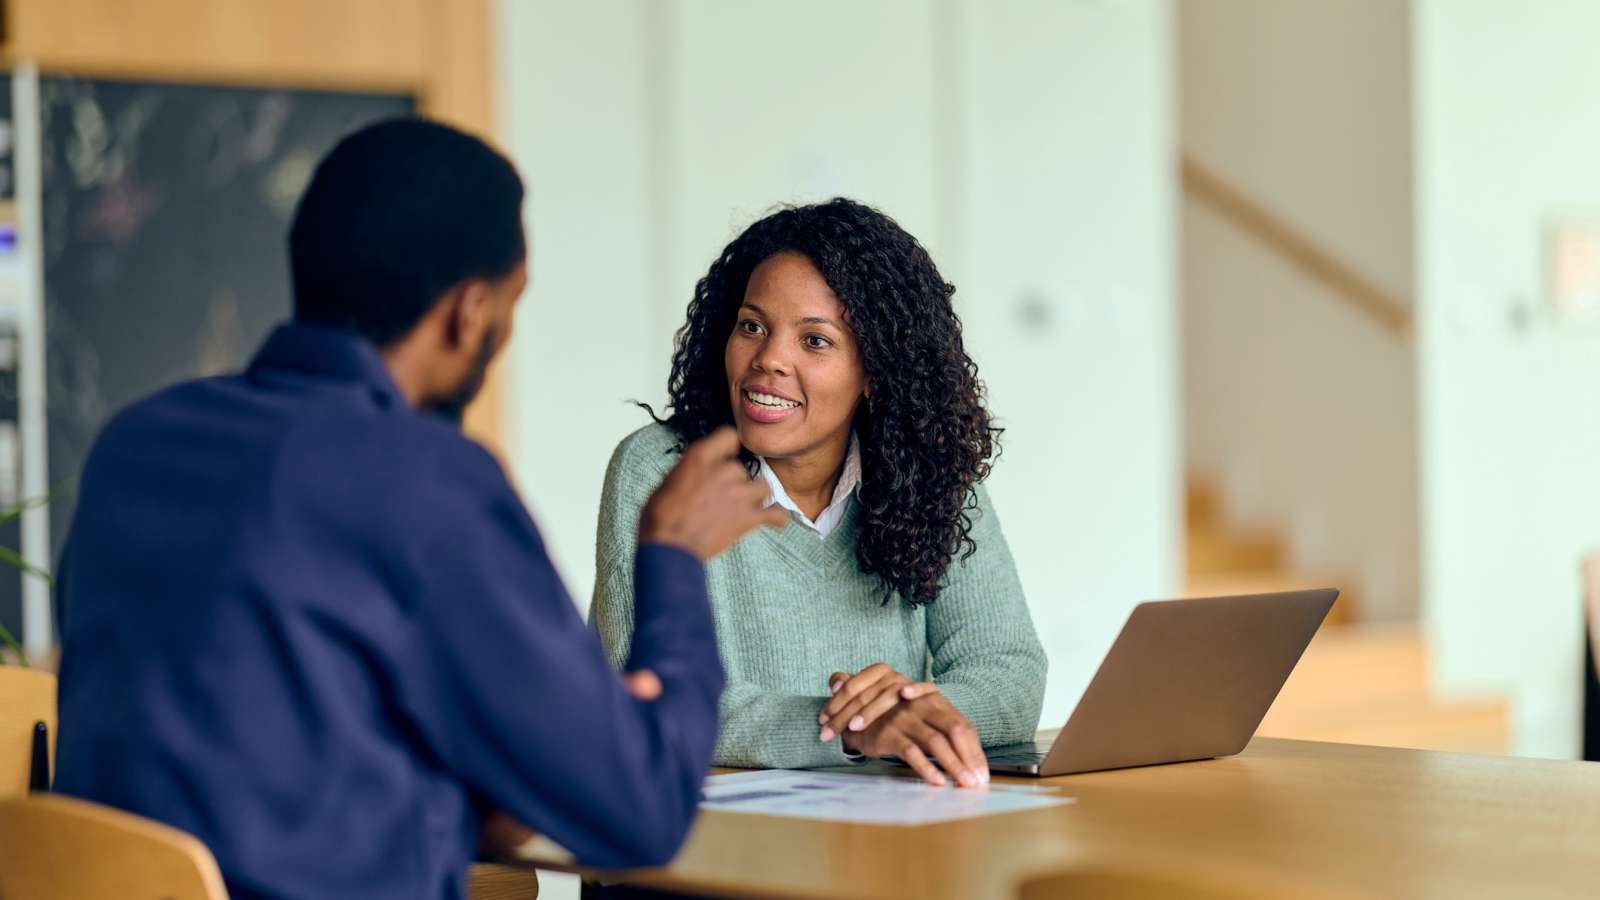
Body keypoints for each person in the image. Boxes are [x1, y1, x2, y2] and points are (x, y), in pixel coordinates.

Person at [52, 117, 785, 900]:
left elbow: (252, 738)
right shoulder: (424, 482)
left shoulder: (136, 444)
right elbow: (643, 810)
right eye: (511, 304)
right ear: (470, 313)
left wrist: (465, 788)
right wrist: (673, 554)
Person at [592, 198, 1047, 788]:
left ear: (876, 371)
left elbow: (1009, 673)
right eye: (752, 326)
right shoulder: (662, 470)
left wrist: (907, 712)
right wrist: (854, 729)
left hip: (888, 825)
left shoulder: (931, 472)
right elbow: (639, 691)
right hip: (708, 827)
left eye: (814, 340)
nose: (769, 360)